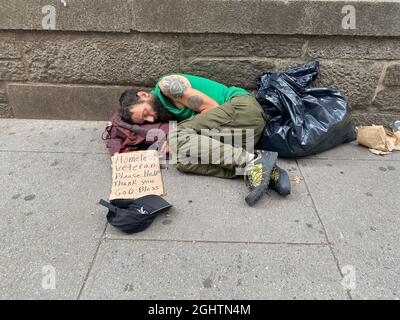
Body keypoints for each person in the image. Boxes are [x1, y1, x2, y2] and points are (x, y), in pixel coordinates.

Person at [119, 73, 290, 206]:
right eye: (145, 121)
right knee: (181, 161)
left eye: (145, 113)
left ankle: (252, 162)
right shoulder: (166, 111)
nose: (150, 119)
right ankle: (264, 169)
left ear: (143, 95)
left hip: (243, 110)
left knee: (175, 137)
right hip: (241, 135)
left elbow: (212, 108)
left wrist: (175, 138)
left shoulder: (167, 86)